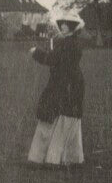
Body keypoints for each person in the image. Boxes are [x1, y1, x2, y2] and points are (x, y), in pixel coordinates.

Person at [27, 14, 85, 166]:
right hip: (67, 82)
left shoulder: (68, 43)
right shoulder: (69, 42)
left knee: (60, 116)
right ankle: (65, 157)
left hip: (67, 84)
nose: (64, 26)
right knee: (61, 116)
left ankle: (52, 158)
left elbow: (52, 60)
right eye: (63, 23)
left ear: (73, 27)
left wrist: (36, 52)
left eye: (68, 24)